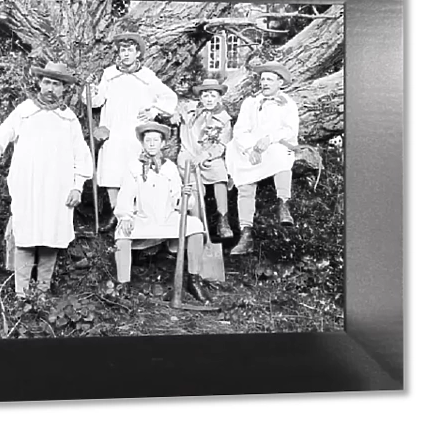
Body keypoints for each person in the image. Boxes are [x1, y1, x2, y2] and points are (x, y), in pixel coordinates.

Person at [0, 61, 93, 296]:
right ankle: (21, 294)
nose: (50, 89)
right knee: (25, 235)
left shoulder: (69, 119)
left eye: (56, 84)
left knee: (51, 237)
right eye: (47, 82)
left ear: (64, 88)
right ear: (39, 83)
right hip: (28, 186)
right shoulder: (25, 111)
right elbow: (3, 134)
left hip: (58, 188)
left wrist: (77, 186)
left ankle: (42, 293)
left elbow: (81, 155)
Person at [83, 32, 178, 233]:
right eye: (122, 50)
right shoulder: (109, 74)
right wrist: (91, 90)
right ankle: (114, 212)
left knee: (133, 171)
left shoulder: (146, 77)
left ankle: (134, 213)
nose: (126, 54)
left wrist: (154, 111)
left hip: (135, 132)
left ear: (137, 53)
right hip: (114, 129)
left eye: (130, 50)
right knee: (111, 169)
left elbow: (169, 98)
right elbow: (97, 101)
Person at [112, 122, 210, 303]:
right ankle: (123, 285)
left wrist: (185, 196)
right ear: (142, 143)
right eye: (147, 140)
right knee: (121, 233)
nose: (151, 144)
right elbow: (126, 194)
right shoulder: (134, 167)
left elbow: (177, 201)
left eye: (155, 140)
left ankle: (193, 279)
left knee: (196, 226)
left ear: (163, 143)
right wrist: (125, 215)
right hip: (143, 218)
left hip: (167, 218)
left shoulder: (170, 168)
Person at [225, 61, 299, 255]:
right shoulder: (251, 103)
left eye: (270, 79)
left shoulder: (288, 104)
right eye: (263, 79)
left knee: (281, 156)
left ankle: (283, 203)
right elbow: (240, 130)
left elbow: (290, 130)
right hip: (251, 148)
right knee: (243, 175)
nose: (265, 83)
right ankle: (246, 232)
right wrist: (251, 147)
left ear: (280, 83)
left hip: (275, 146)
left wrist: (269, 139)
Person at [175, 78, 234, 239]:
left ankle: (223, 219)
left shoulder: (223, 119)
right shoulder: (189, 110)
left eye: (213, 96)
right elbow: (173, 108)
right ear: (200, 97)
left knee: (219, 172)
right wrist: (174, 115)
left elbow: (222, 144)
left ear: (219, 98)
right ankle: (197, 225)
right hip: (189, 155)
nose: (209, 99)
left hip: (209, 156)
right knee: (193, 186)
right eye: (205, 95)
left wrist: (206, 155)